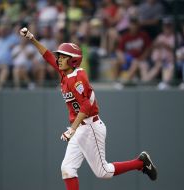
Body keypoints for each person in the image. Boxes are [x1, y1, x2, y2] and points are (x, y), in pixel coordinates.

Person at [20, 27, 158, 190]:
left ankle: (140, 163)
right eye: (60, 56)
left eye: (63, 57)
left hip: (90, 126)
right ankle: (140, 163)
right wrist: (32, 38)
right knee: (67, 169)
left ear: (73, 61)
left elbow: (86, 105)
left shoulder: (77, 78)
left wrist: (72, 129)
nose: (59, 59)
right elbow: (48, 55)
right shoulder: (65, 73)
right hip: (81, 127)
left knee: (103, 172)